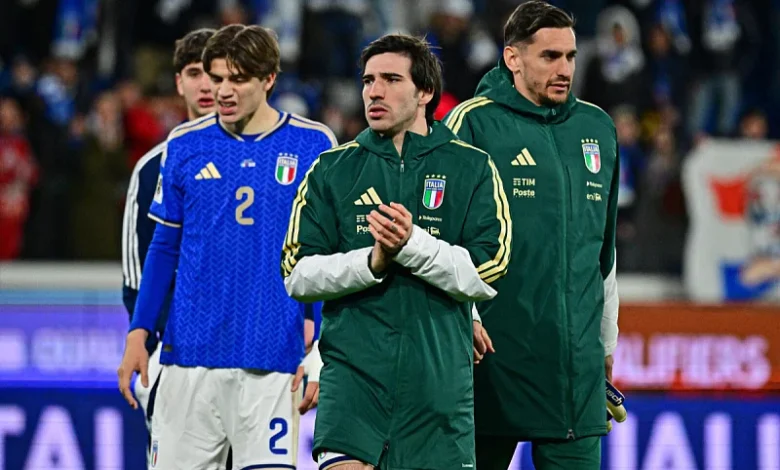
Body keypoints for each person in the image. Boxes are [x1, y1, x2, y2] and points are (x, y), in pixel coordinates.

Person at [281, 33, 512, 470]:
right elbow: (297, 273)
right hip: (353, 388)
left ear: (425, 92)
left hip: (437, 394)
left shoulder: (472, 167)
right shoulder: (332, 169)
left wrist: (411, 245)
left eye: (390, 79)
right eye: (368, 80)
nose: (374, 91)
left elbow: (488, 268)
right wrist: (371, 262)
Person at [117, 23, 336, 470]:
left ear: (269, 79)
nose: (222, 91)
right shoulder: (185, 144)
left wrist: (319, 342)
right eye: (216, 78)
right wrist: (139, 332)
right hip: (189, 360)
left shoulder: (313, 144)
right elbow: (163, 247)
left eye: (238, 79)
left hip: (272, 361)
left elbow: (323, 252)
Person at [444, 2, 620, 469]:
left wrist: (605, 342)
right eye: (549, 56)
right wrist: (466, 318)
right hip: (489, 363)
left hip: (574, 374)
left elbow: (604, 251)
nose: (564, 69)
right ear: (513, 58)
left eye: (570, 56)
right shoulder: (472, 123)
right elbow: (441, 240)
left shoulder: (598, 128)